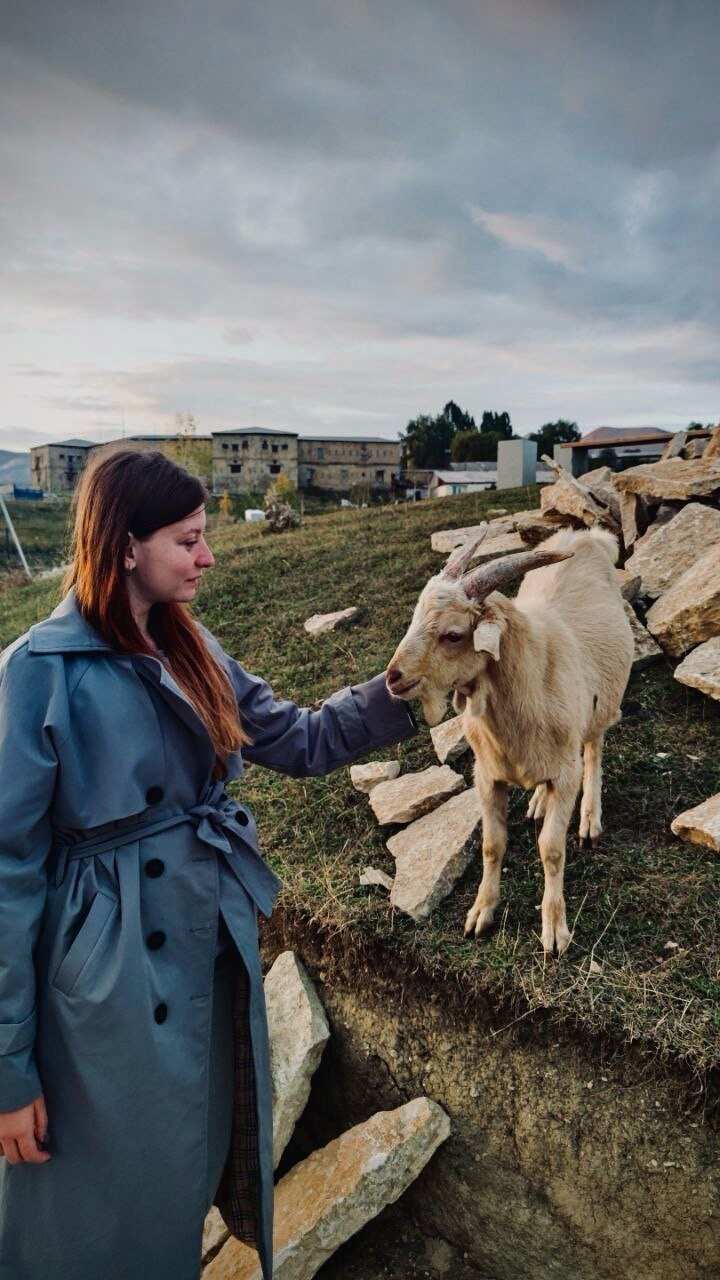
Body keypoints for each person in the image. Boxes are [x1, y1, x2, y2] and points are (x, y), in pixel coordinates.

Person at [0, 449, 416, 1280]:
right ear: (125, 544)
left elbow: (300, 740)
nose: (208, 555)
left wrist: (417, 678)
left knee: (181, 1179)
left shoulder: (190, 646)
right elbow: (6, 876)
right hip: (98, 986)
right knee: (91, 1214)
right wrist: (8, 1071)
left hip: (201, 949)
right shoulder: (36, 675)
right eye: (188, 540)